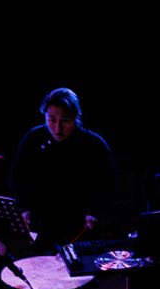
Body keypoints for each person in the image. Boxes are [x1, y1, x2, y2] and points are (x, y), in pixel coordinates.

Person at [10, 88, 116, 249]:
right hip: (40, 224)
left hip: (78, 226)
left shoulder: (94, 145)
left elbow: (107, 185)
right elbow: (18, 177)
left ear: (75, 118)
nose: (57, 128)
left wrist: (94, 212)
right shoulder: (33, 138)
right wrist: (24, 208)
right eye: (51, 120)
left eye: (65, 121)